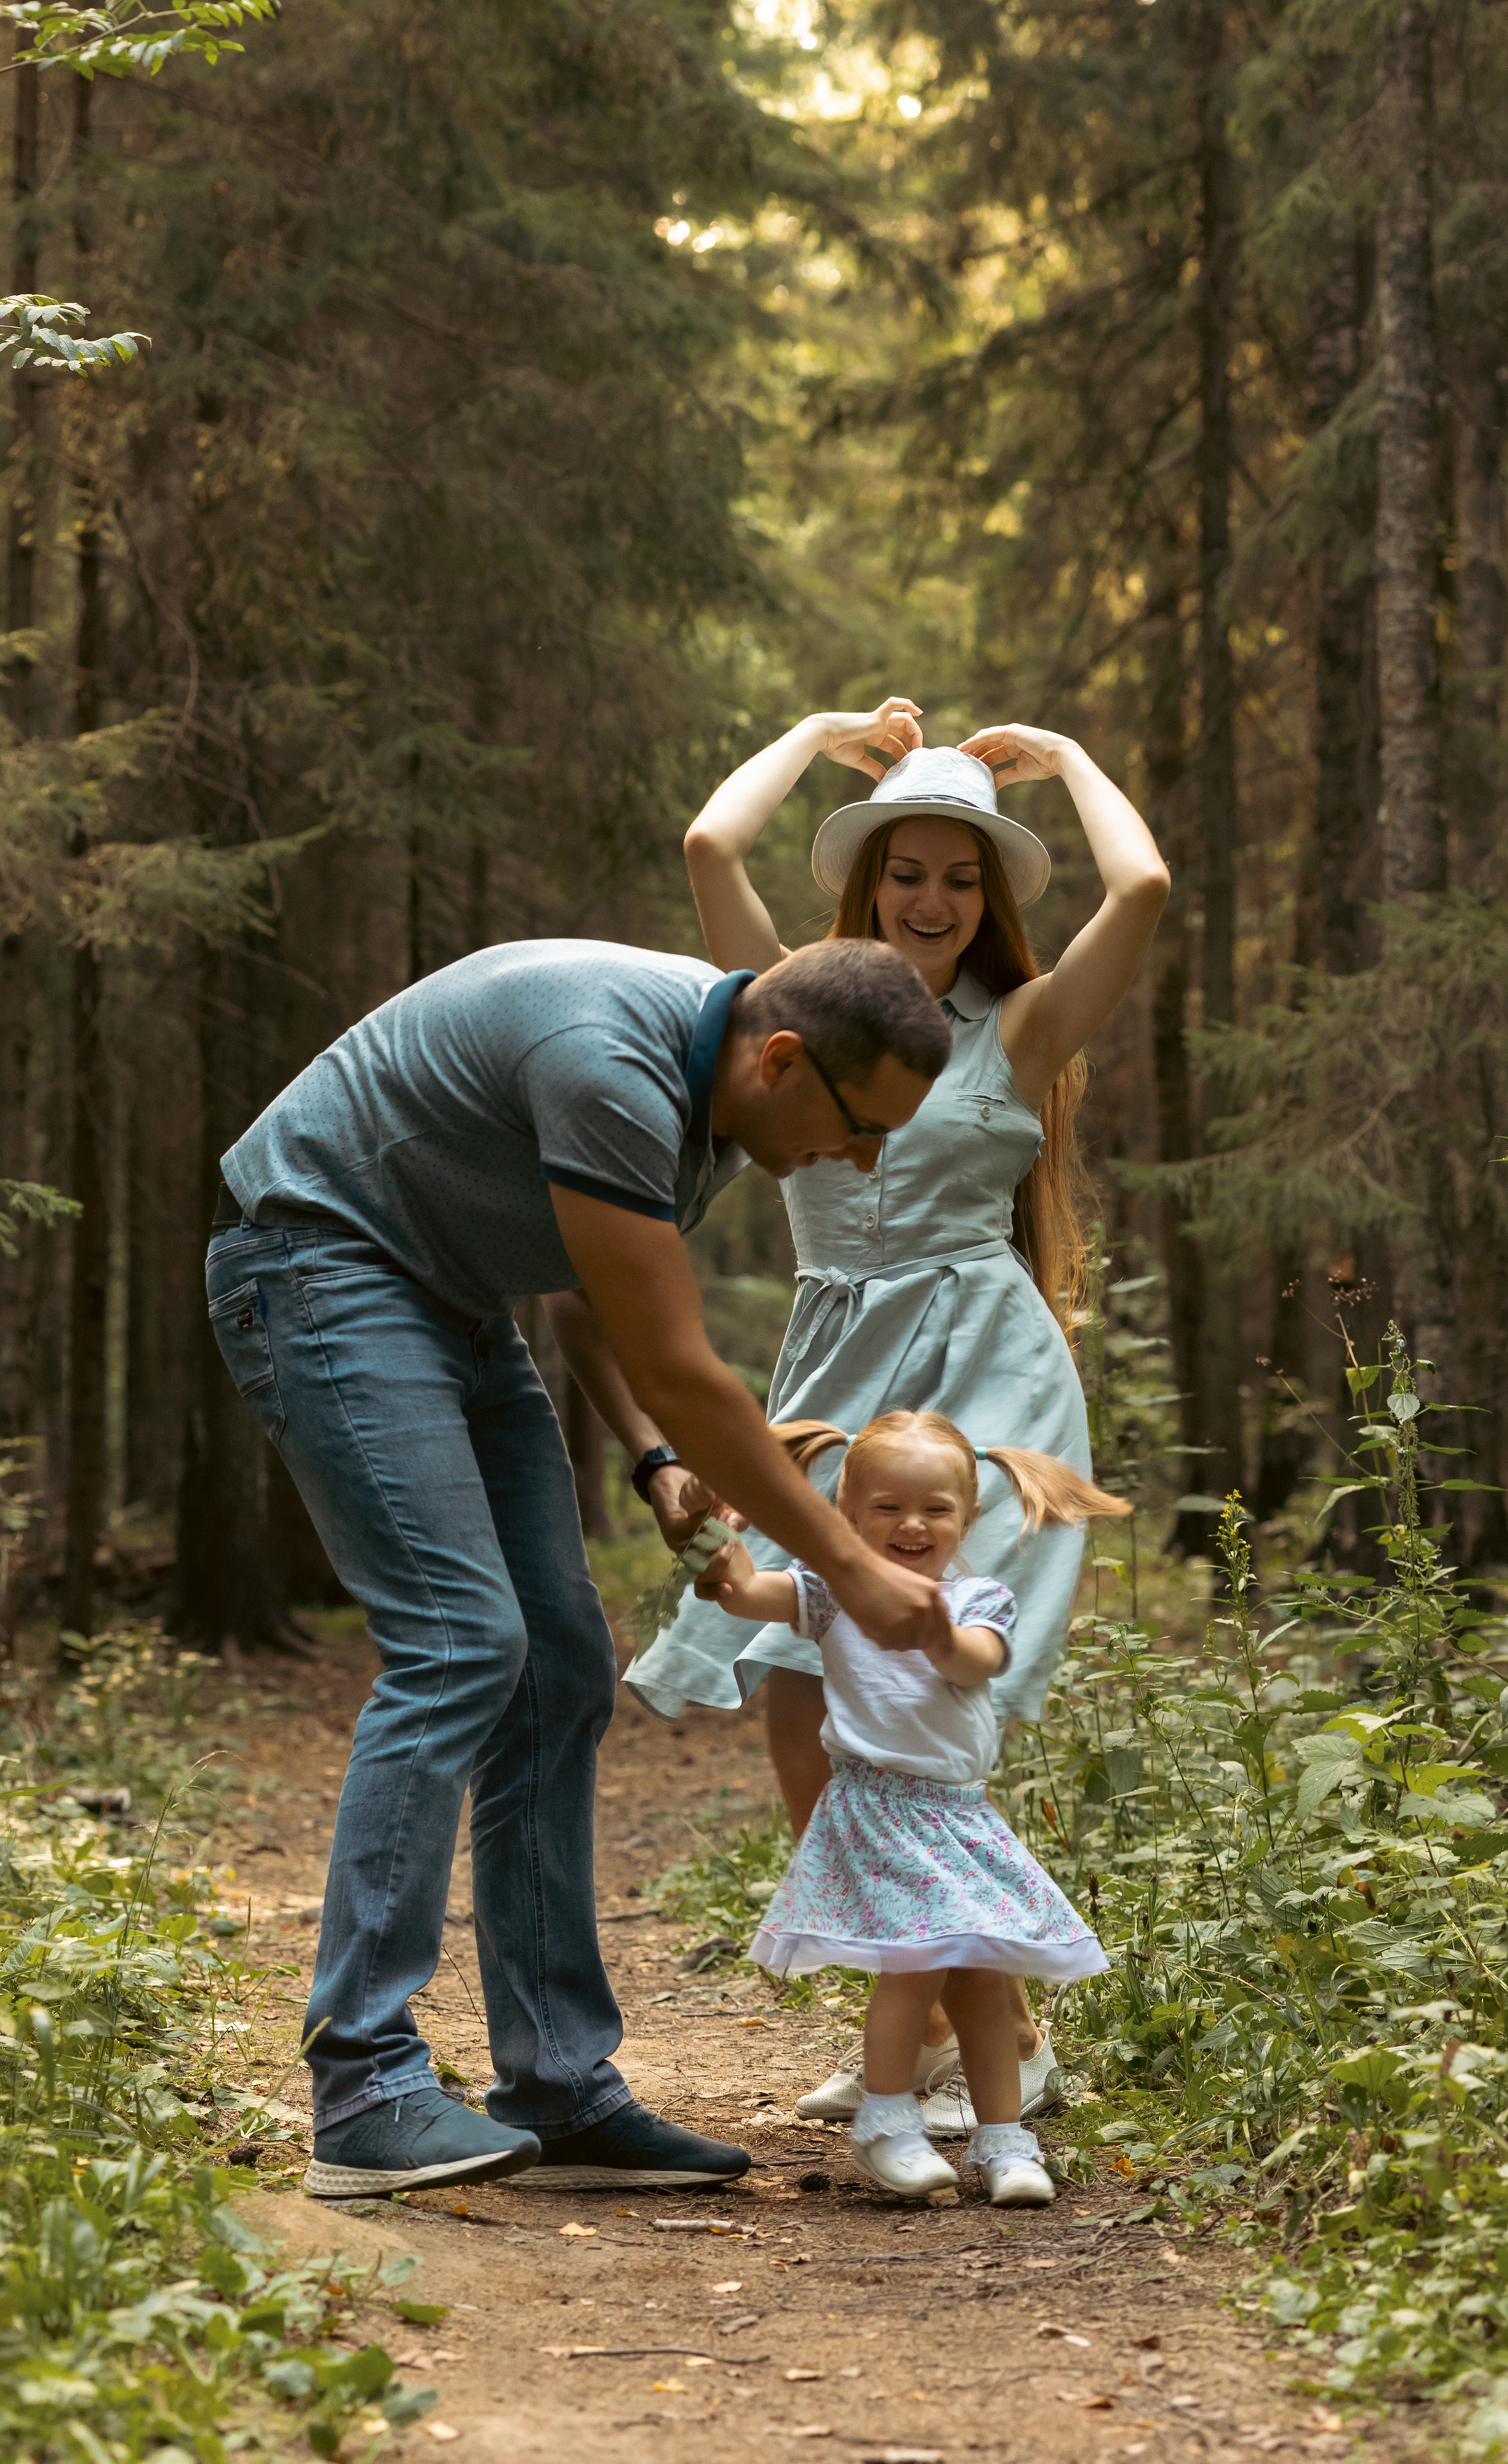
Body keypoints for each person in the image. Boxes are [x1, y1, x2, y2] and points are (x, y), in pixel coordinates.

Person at [208, 935, 958, 2198]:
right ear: (783, 1061)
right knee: (460, 1643)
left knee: (558, 1661)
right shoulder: (613, 1064)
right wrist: (849, 1564)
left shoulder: (718, 1101)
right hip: (319, 1261)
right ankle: (364, 2090)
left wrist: (656, 1462)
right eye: (862, 1126)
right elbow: (678, 1362)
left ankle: (557, 2089)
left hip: (450, 1293)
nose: (865, 1158)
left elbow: (583, 1287)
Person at [623, 700, 1166, 2126]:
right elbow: (708, 842)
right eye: (907, 871)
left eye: (962, 878)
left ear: (988, 899)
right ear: (867, 883)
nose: (933, 901)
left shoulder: (1023, 1026)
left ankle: (980, 2035)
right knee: (801, 1702)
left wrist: (1069, 762)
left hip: (986, 1373)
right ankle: (931, 2019)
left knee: (922, 1704)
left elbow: (1144, 888)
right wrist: (817, 734)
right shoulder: (796, 1002)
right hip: (832, 1367)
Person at [696, 1410, 1110, 2204]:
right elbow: (743, 1593)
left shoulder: (980, 1599)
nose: (911, 1525)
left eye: (934, 1509)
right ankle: (886, 2125)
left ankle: (1004, 2141)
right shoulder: (828, 1594)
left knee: (981, 1977)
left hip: (959, 1816)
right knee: (915, 1965)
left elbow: (973, 1661)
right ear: (848, 1513)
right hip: (877, 1809)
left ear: (968, 1519)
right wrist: (717, 1538)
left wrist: (926, 1625)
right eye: (887, 1507)